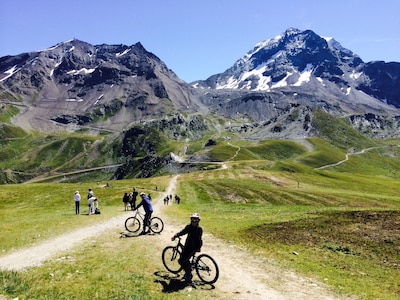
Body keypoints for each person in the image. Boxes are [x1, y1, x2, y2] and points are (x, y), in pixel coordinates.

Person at [171, 213, 203, 284]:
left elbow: (197, 240)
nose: (194, 222)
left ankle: (189, 274)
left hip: (194, 247)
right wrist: (176, 235)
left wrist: (196, 248)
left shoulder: (199, 229)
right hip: (188, 246)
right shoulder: (189, 227)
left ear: (198, 221)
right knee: (184, 259)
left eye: (196, 220)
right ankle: (188, 268)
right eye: (192, 220)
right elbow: (183, 232)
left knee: (182, 260)